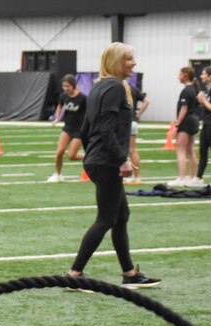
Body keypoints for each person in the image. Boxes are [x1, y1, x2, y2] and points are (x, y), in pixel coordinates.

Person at [66, 43, 160, 290]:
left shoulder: (98, 87)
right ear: (116, 61)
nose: (134, 63)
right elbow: (105, 130)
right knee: (106, 219)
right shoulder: (115, 88)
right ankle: (74, 274)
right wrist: (121, 159)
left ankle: (129, 273)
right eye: (129, 59)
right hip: (107, 161)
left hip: (99, 159)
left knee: (121, 217)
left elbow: (86, 129)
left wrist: (90, 153)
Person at [46, 74, 87, 183]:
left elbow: (89, 112)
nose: (65, 88)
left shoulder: (83, 98)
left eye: (68, 86)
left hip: (79, 130)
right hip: (67, 128)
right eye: (64, 86)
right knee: (59, 152)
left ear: (74, 85)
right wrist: (57, 118)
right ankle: (58, 174)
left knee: (71, 156)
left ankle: (90, 157)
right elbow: (60, 106)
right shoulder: (64, 96)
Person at [169, 67, 200, 187]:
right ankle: (192, 177)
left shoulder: (186, 91)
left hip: (186, 122)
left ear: (186, 76)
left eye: (180, 75)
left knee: (180, 149)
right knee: (191, 150)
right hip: (193, 121)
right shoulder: (194, 89)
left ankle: (182, 178)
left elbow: (184, 109)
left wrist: (177, 125)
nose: (178, 77)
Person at [125, 83, 149, 185]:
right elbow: (146, 101)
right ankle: (136, 176)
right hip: (133, 121)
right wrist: (138, 115)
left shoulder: (118, 88)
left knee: (126, 150)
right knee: (133, 150)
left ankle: (134, 176)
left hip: (125, 122)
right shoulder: (133, 88)